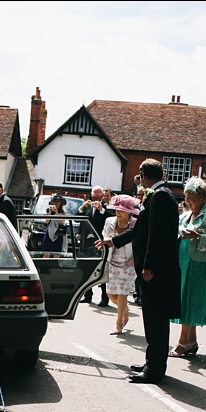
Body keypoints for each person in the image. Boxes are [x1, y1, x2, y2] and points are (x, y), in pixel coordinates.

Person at [97, 159, 180, 384]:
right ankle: (152, 361)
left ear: (142, 174)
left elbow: (156, 236)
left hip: (157, 271)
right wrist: (112, 242)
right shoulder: (161, 194)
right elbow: (140, 230)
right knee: (152, 319)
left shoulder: (160, 197)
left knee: (156, 320)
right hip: (156, 269)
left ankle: (154, 369)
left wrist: (149, 266)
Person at [168, 178, 206, 357]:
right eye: (186, 197)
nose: (187, 201)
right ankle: (191, 342)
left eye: (190, 197)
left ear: (201, 198)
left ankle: (183, 342)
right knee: (185, 301)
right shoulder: (185, 215)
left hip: (201, 266)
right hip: (185, 263)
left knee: (189, 302)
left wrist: (198, 236)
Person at [102, 194, 140, 335]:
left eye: (122, 210)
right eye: (116, 210)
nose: (118, 213)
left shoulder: (135, 224)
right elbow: (104, 238)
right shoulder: (109, 221)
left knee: (122, 293)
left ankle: (119, 324)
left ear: (129, 211)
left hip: (129, 262)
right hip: (112, 261)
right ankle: (124, 311)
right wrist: (108, 238)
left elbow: (138, 242)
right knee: (111, 294)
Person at [82, 186, 111, 307]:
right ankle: (88, 295)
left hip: (100, 242)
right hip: (87, 242)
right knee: (87, 269)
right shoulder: (88, 206)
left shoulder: (107, 207)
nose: (95, 197)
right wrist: (82, 208)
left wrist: (101, 210)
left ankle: (105, 298)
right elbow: (79, 218)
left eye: (98, 195)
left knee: (102, 269)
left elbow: (110, 218)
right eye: (93, 195)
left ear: (102, 195)